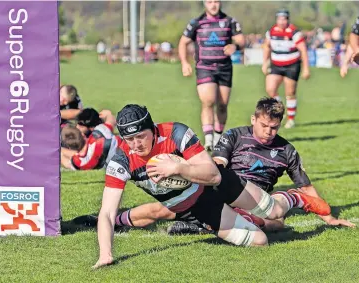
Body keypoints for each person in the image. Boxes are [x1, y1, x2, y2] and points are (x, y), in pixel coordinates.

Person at [92, 104, 330, 269]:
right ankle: (249, 218)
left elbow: (213, 176)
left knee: (275, 211)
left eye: (141, 136)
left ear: (152, 129)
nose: (136, 144)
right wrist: (106, 254)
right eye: (129, 140)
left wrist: (178, 169)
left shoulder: (176, 133)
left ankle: (296, 198)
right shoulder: (121, 160)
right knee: (259, 241)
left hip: (220, 185)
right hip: (198, 207)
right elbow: (107, 212)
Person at [114, 98, 354, 234]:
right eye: (264, 126)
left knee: (277, 224)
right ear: (253, 119)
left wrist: (329, 217)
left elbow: (306, 185)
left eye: (274, 128)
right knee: (165, 209)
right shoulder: (235, 135)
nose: (269, 132)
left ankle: (208, 224)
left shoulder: (287, 151)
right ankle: (115, 220)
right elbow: (217, 164)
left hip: (256, 197)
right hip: (228, 187)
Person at [178, 0, 245, 151]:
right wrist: (184, 63)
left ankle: (217, 137)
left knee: (222, 105)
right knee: (208, 101)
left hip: (224, 68)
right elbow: (183, 42)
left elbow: (241, 40)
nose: (213, 5)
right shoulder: (196, 22)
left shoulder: (229, 21)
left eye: (216, 1)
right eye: (210, 2)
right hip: (204, 67)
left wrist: (235, 46)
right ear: (204, 3)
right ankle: (208, 140)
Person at [262, 9, 310, 129]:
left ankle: (291, 119)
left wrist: (306, 68)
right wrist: (264, 62)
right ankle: (280, 107)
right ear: (277, 19)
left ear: (288, 19)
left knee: (290, 92)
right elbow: (267, 47)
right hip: (276, 64)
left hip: (292, 65)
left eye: (284, 19)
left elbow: (303, 50)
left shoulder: (294, 32)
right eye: (280, 19)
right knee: (270, 89)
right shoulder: (271, 32)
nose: (282, 21)